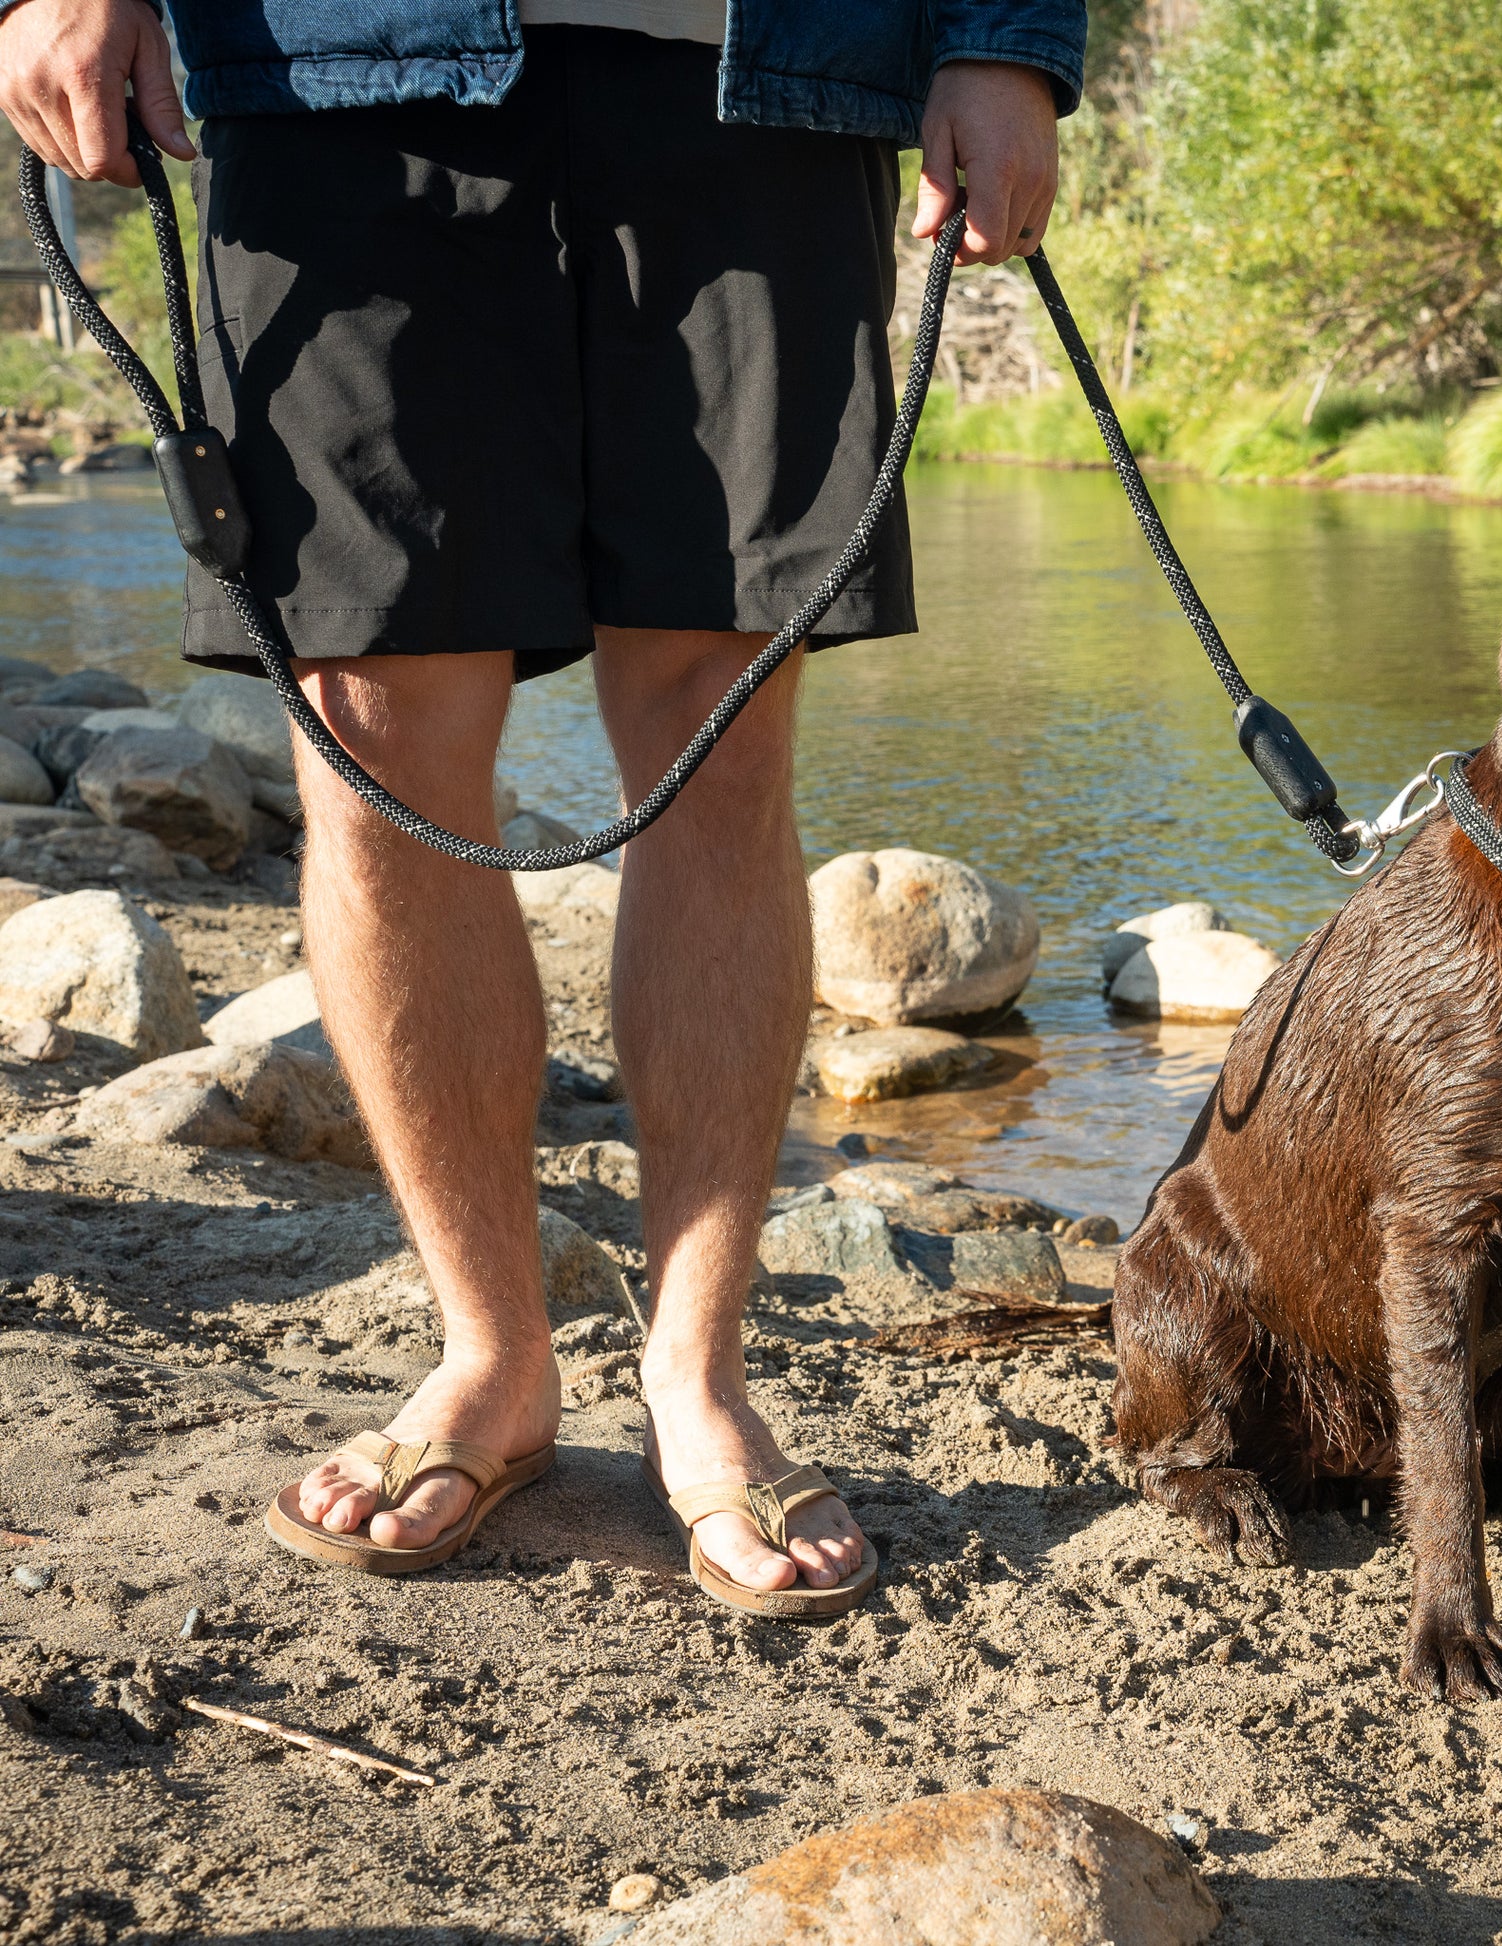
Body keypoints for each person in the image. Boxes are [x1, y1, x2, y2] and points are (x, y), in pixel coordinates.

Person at [0, 0, 1086, 1615]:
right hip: (334, 66)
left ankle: (698, 1370)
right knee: (369, 728)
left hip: (763, 72)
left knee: (720, 733)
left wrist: (1002, 34)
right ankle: (491, 1359)